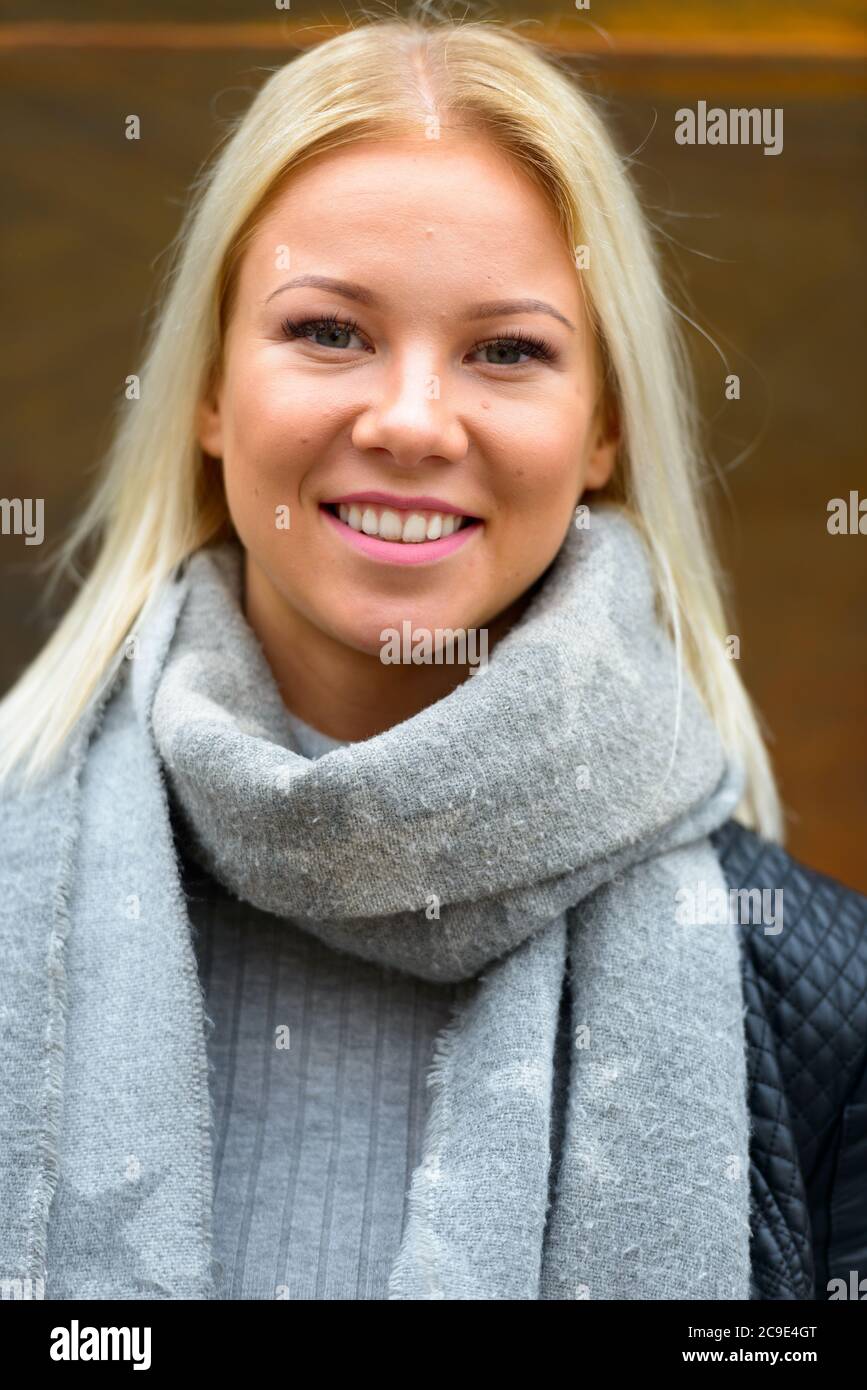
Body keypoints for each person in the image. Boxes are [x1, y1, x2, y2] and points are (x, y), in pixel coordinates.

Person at [0, 12, 864, 1303]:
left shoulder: (819, 1007)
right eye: (329, 331)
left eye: (506, 351)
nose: (410, 420)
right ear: (212, 393)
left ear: (603, 428)